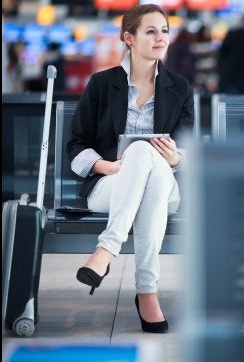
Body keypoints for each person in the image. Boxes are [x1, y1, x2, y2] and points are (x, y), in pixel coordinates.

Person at [67, 4, 193, 334]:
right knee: (139, 154)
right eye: (150, 31)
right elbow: (76, 145)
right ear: (129, 38)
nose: (160, 37)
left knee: (145, 155)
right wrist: (103, 165)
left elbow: (189, 153)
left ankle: (106, 250)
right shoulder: (101, 84)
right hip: (110, 186)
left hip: (164, 186)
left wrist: (175, 158)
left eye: (164, 30)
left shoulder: (179, 88)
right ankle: (147, 292)